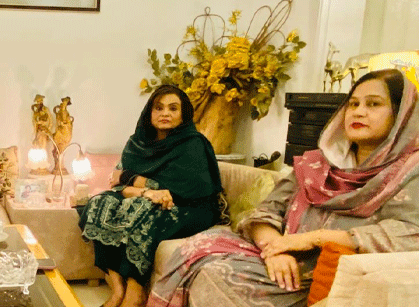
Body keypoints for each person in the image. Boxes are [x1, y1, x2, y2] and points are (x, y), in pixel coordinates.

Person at [148, 68, 419, 307]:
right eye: (354, 104)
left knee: (216, 274)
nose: (358, 111)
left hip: (323, 276)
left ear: (401, 115)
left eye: (374, 104)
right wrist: (276, 248)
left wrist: (314, 238)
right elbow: (266, 210)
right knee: (199, 255)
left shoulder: (408, 174)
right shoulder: (316, 164)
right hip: (278, 259)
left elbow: (410, 233)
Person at [79, 85, 227, 307]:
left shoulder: (192, 143)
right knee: (99, 203)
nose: (165, 113)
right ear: (149, 112)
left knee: (142, 211)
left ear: (183, 114)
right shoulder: (137, 143)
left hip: (192, 207)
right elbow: (118, 186)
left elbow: (178, 191)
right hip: (151, 199)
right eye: (159, 108)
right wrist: (145, 190)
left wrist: (131, 178)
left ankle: (135, 292)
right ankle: (117, 289)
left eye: (173, 108)